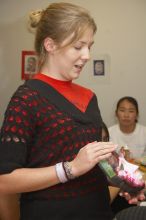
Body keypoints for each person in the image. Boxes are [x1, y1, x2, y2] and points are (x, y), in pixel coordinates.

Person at [0, 3, 144, 220]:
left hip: (98, 211)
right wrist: (70, 169)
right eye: (78, 47)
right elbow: (6, 180)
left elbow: (94, 161)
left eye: (90, 46)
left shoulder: (89, 97)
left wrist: (127, 181)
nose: (87, 55)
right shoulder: (26, 99)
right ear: (50, 45)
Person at [108, 96, 146, 214]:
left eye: (131, 111)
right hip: (117, 180)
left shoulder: (144, 132)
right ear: (116, 113)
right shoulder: (109, 132)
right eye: (122, 110)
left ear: (136, 114)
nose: (126, 115)